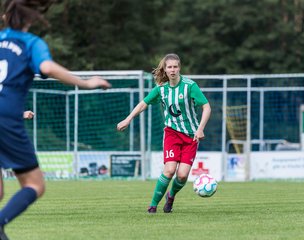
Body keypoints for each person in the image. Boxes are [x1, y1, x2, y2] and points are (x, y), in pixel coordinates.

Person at [0, 0, 111, 239]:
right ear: (31, 20)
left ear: (4, 19)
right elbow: (47, 67)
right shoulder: (31, 43)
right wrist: (86, 82)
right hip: (6, 120)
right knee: (35, 185)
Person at [117, 53, 211, 213]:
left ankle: (171, 196)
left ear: (179, 68)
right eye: (169, 67)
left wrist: (200, 128)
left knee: (182, 176)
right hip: (172, 134)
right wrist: (128, 119)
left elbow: (206, 107)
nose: (173, 70)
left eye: (175, 66)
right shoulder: (161, 89)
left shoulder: (190, 86)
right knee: (169, 170)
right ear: (165, 69)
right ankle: (152, 205)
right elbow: (143, 104)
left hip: (191, 136)